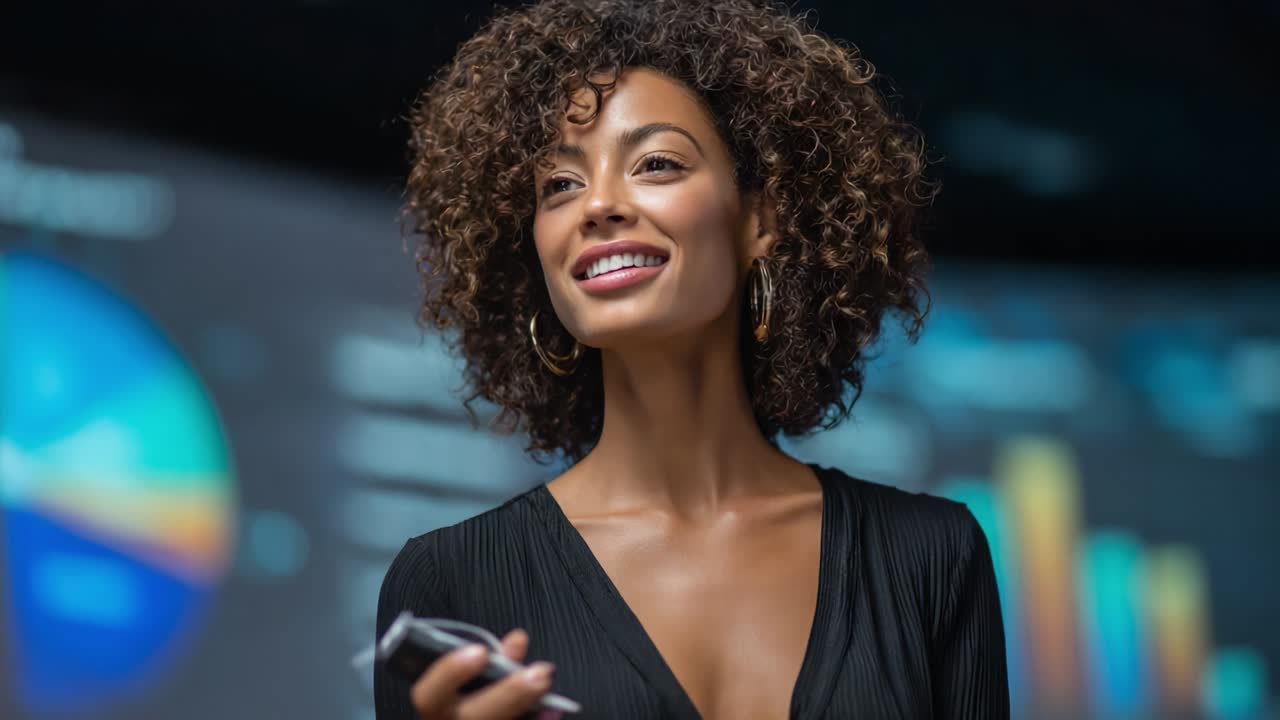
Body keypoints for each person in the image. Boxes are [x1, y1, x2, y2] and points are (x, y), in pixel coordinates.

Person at [375, 0, 1009, 717]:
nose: (597, 206)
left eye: (655, 163)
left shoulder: (932, 557)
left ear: (761, 222)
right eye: (560, 184)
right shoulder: (448, 582)